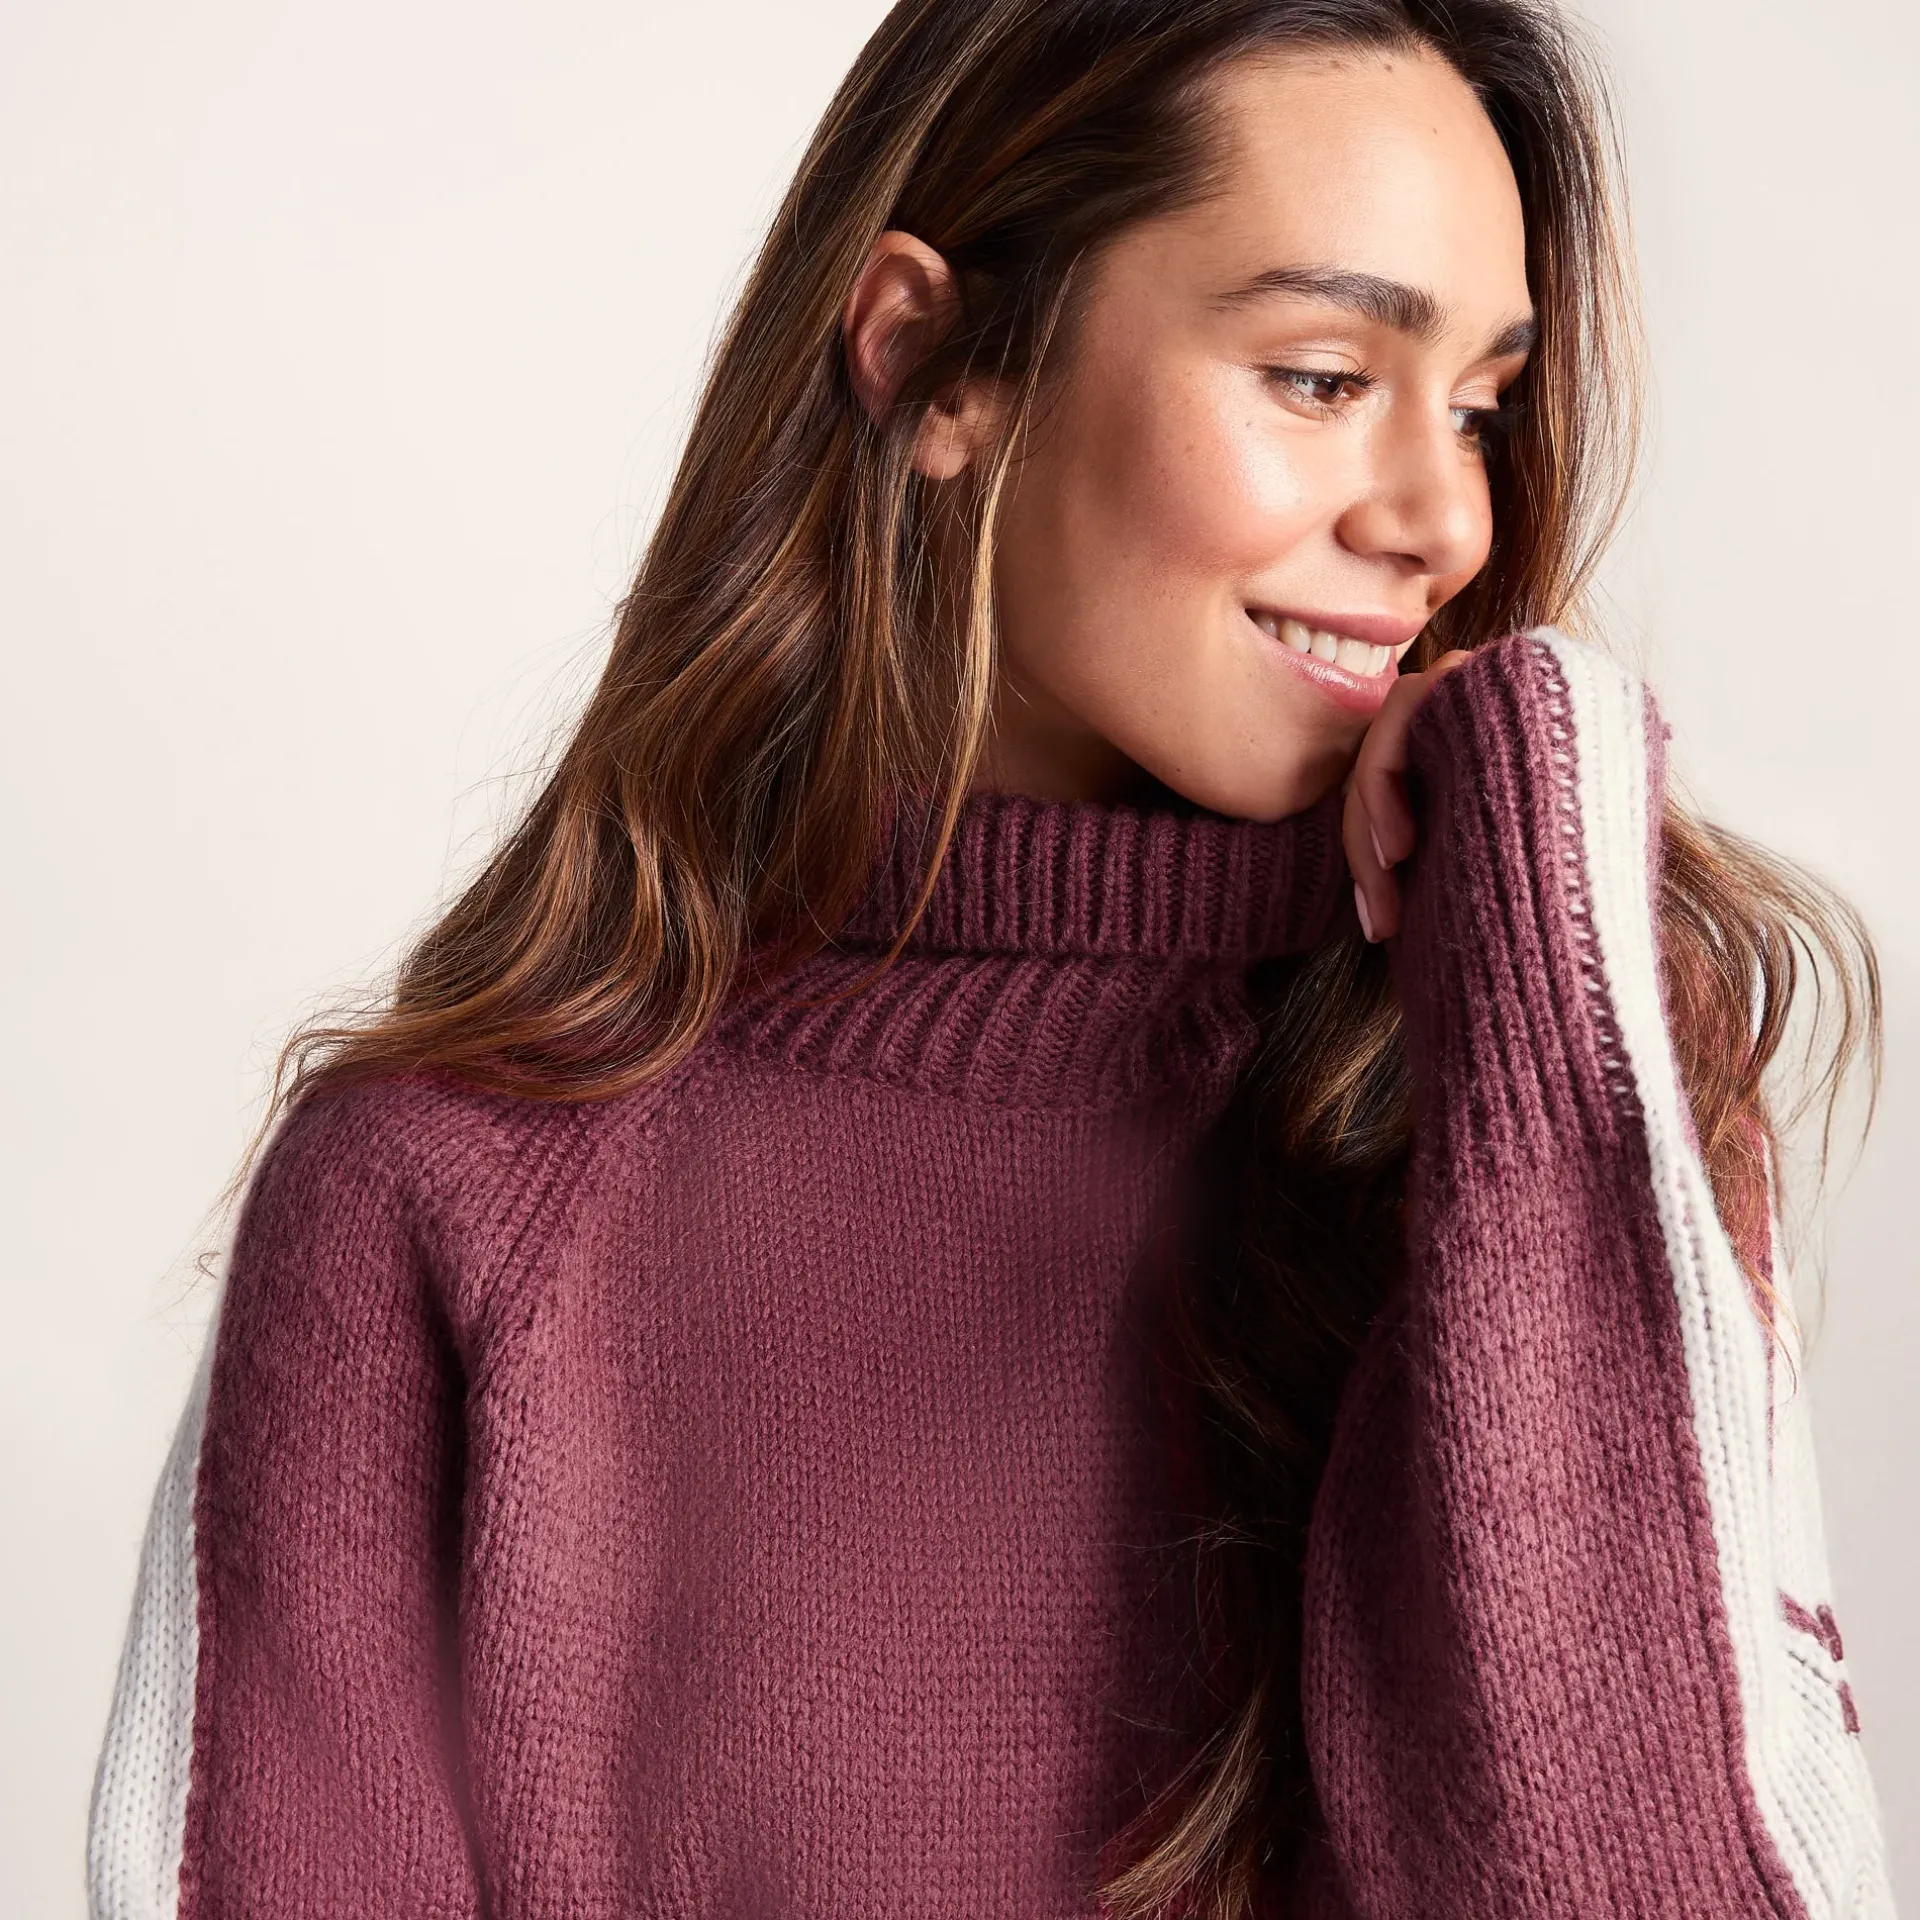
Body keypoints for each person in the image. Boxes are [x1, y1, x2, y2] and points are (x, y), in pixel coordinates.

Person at [87, 1, 1895, 1915]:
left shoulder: (1543, 1089)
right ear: (933, 358)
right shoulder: (444, 1193)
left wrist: (1540, 927)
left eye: (1478, 410)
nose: (1444, 519)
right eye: (1317, 376)